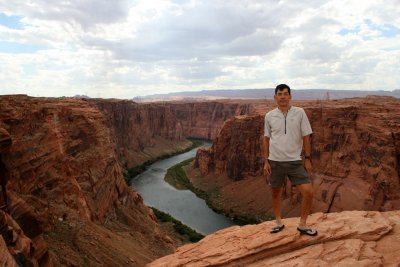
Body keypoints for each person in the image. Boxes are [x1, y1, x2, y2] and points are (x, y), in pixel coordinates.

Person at [262, 84, 317, 236]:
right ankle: (279, 222)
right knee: (275, 193)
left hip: (295, 161)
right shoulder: (269, 116)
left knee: (308, 192)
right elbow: (266, 139)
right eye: (280, 94)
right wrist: (266, 161)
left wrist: (307, 158)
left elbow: (306, 136)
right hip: (275, 161)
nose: (283, 97)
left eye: (286, 94)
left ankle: (303, 224)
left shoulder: (300, 113)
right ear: (275, 97)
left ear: (290, 96)